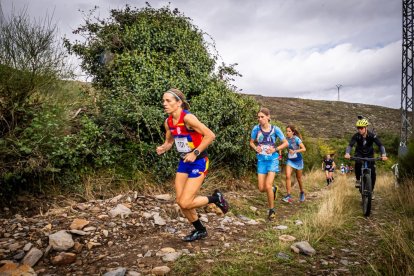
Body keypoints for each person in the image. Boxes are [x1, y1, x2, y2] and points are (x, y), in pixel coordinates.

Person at [156, 88, 229, 242]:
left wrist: (195, 153)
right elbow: (170, 141)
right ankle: (200, 230)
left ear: (179, 103)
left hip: (199, 161)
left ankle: (215, 198)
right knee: (181, 201)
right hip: (184, 162)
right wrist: (164, 147)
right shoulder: (168, 121)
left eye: (168, 100)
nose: (164, 103)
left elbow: (210, 135)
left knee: (185, 201)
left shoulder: (188, 118)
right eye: (163, 100)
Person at [250, 108, 288, 220]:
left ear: (268, 117)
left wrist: (275, 149)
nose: (260, 119)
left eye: (262, 117)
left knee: (267, 185)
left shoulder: (275, 129)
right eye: (258, 117)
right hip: (261, 160)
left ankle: (272, 210)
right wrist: (255, 147)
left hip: (273, 160)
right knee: (261, 188)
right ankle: (273, 189)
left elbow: (285, 143)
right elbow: (251, 142)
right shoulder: (256, 129)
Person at [344, 116, 388, 199]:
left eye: (361, 128)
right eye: (358, 128)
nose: (359, 130)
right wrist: (347, 153)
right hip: (359, 154)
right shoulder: (356, 136)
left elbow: (380, 145)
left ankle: (371, 191)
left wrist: (384, 155)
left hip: (369, 155)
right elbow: (350, 145)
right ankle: (358, 180)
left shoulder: (372, 136)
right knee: (357, 163)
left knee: (373, 174)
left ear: (366, 127)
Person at [282, 125, 306, 203]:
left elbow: (304, 149)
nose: (287, 132)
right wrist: (279, 154)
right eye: (286, 131)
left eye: (289, 131)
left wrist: (295, 151)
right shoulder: (285, 139)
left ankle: (302, 192)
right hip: (290, 160)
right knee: (288, 176)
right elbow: (281, 147)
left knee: (298, 178)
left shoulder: (296, 139)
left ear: (292, 132)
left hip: (298, 160)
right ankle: (288, 195)